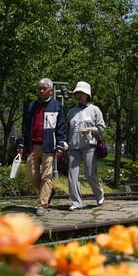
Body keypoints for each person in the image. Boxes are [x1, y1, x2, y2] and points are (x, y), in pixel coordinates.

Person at [19, 78, 68, 216]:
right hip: (33, 145)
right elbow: (26, 127)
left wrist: (60, 146)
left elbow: (61, 128)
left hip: (49, 146)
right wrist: (22, 143)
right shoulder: (31, 106)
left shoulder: (56, 106)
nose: (41, 90)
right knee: (31, 174)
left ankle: (42, 204)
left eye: (44, 88)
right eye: (39, 88)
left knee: (47, 176)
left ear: (50, 90)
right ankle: (48, 192)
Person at [66, 81, 106, 211]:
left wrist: (89, 130)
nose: (78, 95)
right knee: (72, 176)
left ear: (87, 95)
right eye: (77, 93)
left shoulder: (95, 110)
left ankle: (99, 194)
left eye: (81, 93)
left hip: (89, 146)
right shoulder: (71, 112)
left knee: (90, 174)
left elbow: (101, 128)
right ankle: (76, 202)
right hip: (73, 147)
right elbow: (67, 129)